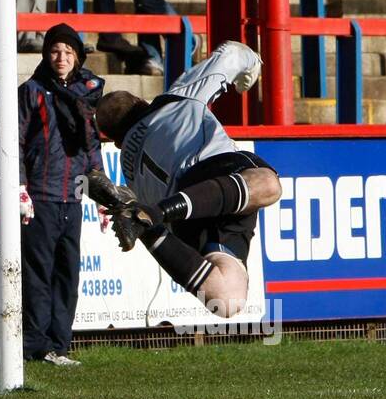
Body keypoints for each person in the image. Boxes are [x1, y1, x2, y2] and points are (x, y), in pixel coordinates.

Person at [90, 41, 280, 318]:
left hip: (188, 217)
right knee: (268, 184)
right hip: (214, 171)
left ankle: (146, 226)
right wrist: (249, 70)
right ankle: (149, 217)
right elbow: (232, 53)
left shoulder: (128, 169)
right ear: (142, 102)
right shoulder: (174, 99)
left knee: (227, 300)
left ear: (116, 141)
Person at [18, 23, 104, 366]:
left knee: (68, 275)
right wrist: (20, 186)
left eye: (68, 52)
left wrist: (102, 193)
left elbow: (92, 147)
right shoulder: (31, 91)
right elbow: (16, 140)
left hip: (74, 197)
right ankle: (36, 346)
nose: (61, 57)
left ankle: (60, 344)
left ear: (78, 57)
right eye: (55, 50)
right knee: (37, 274)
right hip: (40, 197)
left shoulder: (87, 94)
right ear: (46, 54)